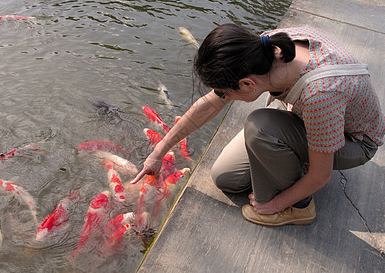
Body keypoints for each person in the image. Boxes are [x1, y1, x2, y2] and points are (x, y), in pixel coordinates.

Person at [131, 23, 385, 226]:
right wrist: (158, 152)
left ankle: (300, 208)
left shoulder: (320, 95)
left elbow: (322, 175)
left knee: (260, 125)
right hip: (311, 117)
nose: (223, 98)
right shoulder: (263, 47)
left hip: (353, 141)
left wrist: (274, 205)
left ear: (247, 84)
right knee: (226, 178)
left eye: (226, 92)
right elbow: (207, 106)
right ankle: (289, 153)